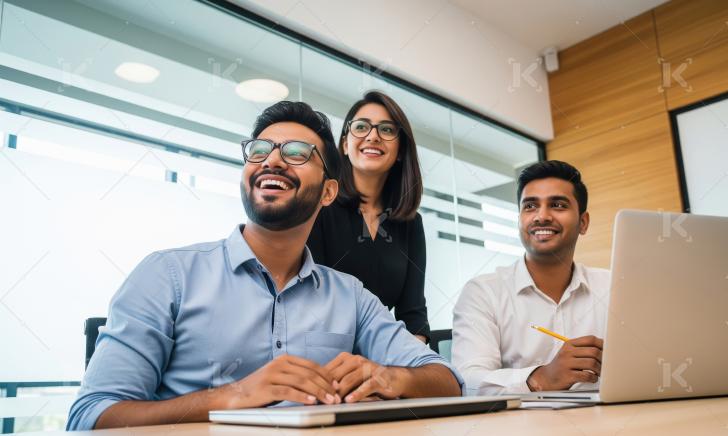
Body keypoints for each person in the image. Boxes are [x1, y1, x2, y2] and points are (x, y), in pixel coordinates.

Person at [67, 101, 462, 430]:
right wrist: (233, 396)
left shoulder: (350, 296)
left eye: (296, 154)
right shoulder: (166, 276)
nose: (272, 160)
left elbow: (446, 380)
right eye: (260, 150)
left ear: (328, 192)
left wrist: (390, 377)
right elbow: (90, 416)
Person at [452, 160, 609, 395]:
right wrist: (540, 378)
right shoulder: (483, 292)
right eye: (530, 207)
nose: (541, 216)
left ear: (583, 223)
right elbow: (467, 381)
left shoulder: (613, 286)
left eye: (557, 205)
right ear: (519, 220)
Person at [308, 91, 429, 342]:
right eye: (361, 127)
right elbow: (307, 302)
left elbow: (413, 316)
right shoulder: (319, 205)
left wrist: (412, 370)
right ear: (344, 144)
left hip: (384, 356)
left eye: (386, 130)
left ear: (399, 151)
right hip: (322, 350)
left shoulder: (411, 224)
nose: (373, 136)